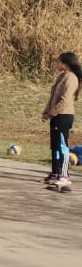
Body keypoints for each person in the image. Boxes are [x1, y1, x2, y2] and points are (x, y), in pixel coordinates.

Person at [42, 52, 80, 190]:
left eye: (58, 62)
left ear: (65, 63)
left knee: (62, 146)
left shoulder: (72, 78)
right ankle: (56, 173)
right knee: (55, 146)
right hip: (56, 115)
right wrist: (47, 111)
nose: (56, 64)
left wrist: (52, 112)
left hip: (64, 116)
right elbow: (53, 97)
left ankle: (64, 176)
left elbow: (65, 100)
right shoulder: (61, 77)